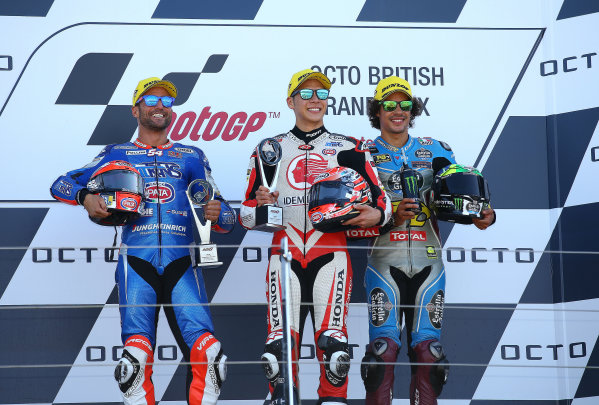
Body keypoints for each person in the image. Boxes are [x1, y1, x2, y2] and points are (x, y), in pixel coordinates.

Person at [50, 77, 236, 405]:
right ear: (136, 110)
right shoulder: (116, 152)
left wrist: (216, 212)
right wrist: (85, 197)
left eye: (167, 101)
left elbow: (227, 220)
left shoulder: (191, 155)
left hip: (183, 263)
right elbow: (62, 184)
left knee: (210, 357)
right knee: (134, 360)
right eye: (151, 101)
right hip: (136, 262)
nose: (160, 106)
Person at [240, 68, 392, 405]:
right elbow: (246, 215)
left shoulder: (351, 148)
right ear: (291, 101)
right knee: (277, 352)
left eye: (321, 94)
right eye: (306, 94)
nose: (315, 100)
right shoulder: (270, 149)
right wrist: (261, 206)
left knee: (336, 352)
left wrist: (377, 215)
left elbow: (383, 205)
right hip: (285, 255)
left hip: (331, 254)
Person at [359, 76, 496, 405]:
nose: (398, 110)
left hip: (429, 263)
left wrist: (482, 213)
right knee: (380, 356)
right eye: (389, 104)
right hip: (383, 264)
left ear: (413, 110)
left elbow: (475, 211)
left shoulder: (436, 150)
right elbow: (348, 215)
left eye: (405, 104)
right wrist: (391, 214)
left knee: (430, 357)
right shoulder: (362, 153)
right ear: (377, 110)